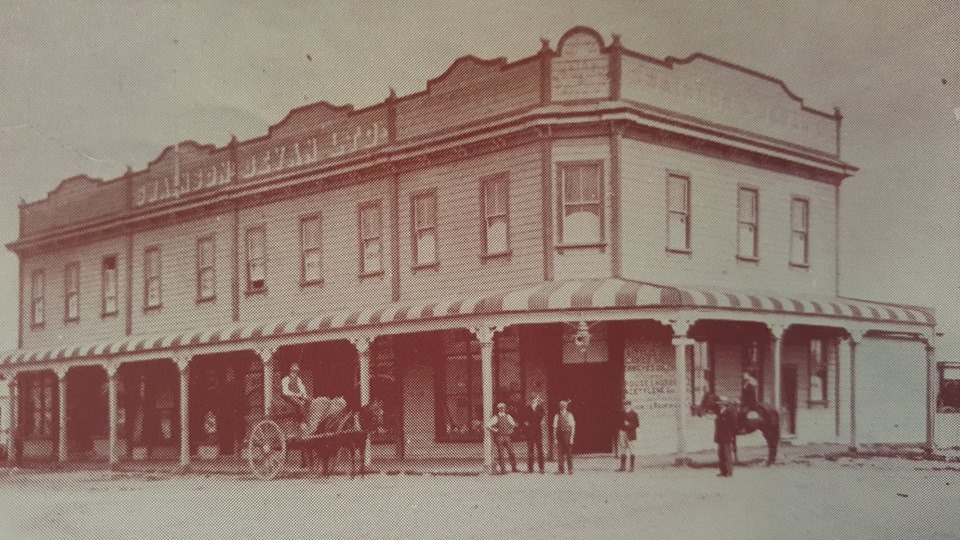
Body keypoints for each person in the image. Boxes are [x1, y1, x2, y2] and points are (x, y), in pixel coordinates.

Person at [486, 402, 518, 474]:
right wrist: (494, 430)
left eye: (503, 407)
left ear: (505, 408)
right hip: (499, 437)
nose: (502, 409)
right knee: (501, 453)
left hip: (507, 436)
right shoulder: (496, 417)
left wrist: (511, 430)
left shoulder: (508, 416)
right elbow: (487, 425)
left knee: (511, 452)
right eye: (500, 408)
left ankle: (514, 468)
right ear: (498, 409)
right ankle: (503, 469)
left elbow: (514, 424)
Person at [521, 394, 545, 473]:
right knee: (530, 449)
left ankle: (541, 468)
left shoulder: (540, 408)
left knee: (539, 449)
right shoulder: (527, 408)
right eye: (532, 399)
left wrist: (541, 421)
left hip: (538, 430)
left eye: (534, 399)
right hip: (530, 431)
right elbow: (523, 418)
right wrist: (526, 424)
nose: (533, 400)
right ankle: (530, 468)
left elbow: (543, 417)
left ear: (536, 400)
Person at [714, 397, 736, 477]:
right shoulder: (721, 412)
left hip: (726, 436)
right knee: (721, 454)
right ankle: (723, 471)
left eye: (722, 403)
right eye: (720, 404)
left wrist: (731, 434)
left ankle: (729, 471)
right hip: (720, 436)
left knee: (727, 454)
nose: (720, 405)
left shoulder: (728, 413)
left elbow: (732, 425)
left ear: (725, 404)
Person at [553, 400, 576, 475]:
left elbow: (572, 427)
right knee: (560, 453)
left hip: (567, 434)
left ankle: (570, 469)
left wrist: (571, 438)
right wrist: (555, 438)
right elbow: (555, 428)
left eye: (564, 406)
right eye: (561, 406)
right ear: (559, 407)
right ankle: (561, 469)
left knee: (569, 452)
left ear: (566, 407)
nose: (563, 407)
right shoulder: (557, 416)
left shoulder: (570, 415)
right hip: (559, 435)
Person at [617, 399, 640, 472]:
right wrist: (620, 428)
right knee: (623, 449)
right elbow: (619, 422)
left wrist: (629, 424)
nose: (625, 406)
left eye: (627, 404)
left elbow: (637, 424)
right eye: (624, 404)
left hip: (630, 433)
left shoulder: (634, 414)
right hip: (622, 432)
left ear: (630, 405)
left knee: (631, 449)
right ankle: (622, 467)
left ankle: (631, 467)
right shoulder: (622, 413)